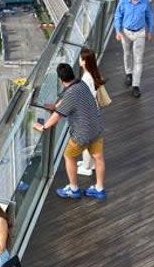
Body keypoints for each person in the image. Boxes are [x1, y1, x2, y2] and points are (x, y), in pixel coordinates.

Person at [34, 63, 106, 200]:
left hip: (82, 134)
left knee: (69, 156)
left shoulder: (70, 94)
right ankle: (99, 189)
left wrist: (43, 127)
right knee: (98, 158)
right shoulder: (81, 84)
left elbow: (57, 116)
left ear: (60, 80)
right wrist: (55, 106)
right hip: (97, 128)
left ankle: (73, 189)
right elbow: (69, 102)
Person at [114, 0, 154, 97]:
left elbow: (149, 16)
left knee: (138, 59)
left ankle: (136, 85)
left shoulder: (144, 1)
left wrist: (150, 31)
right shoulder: (123, 1)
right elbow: (117, 16)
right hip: (126, 32)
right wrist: (118, 30)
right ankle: (128, 73)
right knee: (127, 54)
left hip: (140, 32)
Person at [75, 47, 106, 177]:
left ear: (84, 62)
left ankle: (86, 166)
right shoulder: (93, 73)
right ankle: (90, 163)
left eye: (80, 59)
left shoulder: (86, 78)